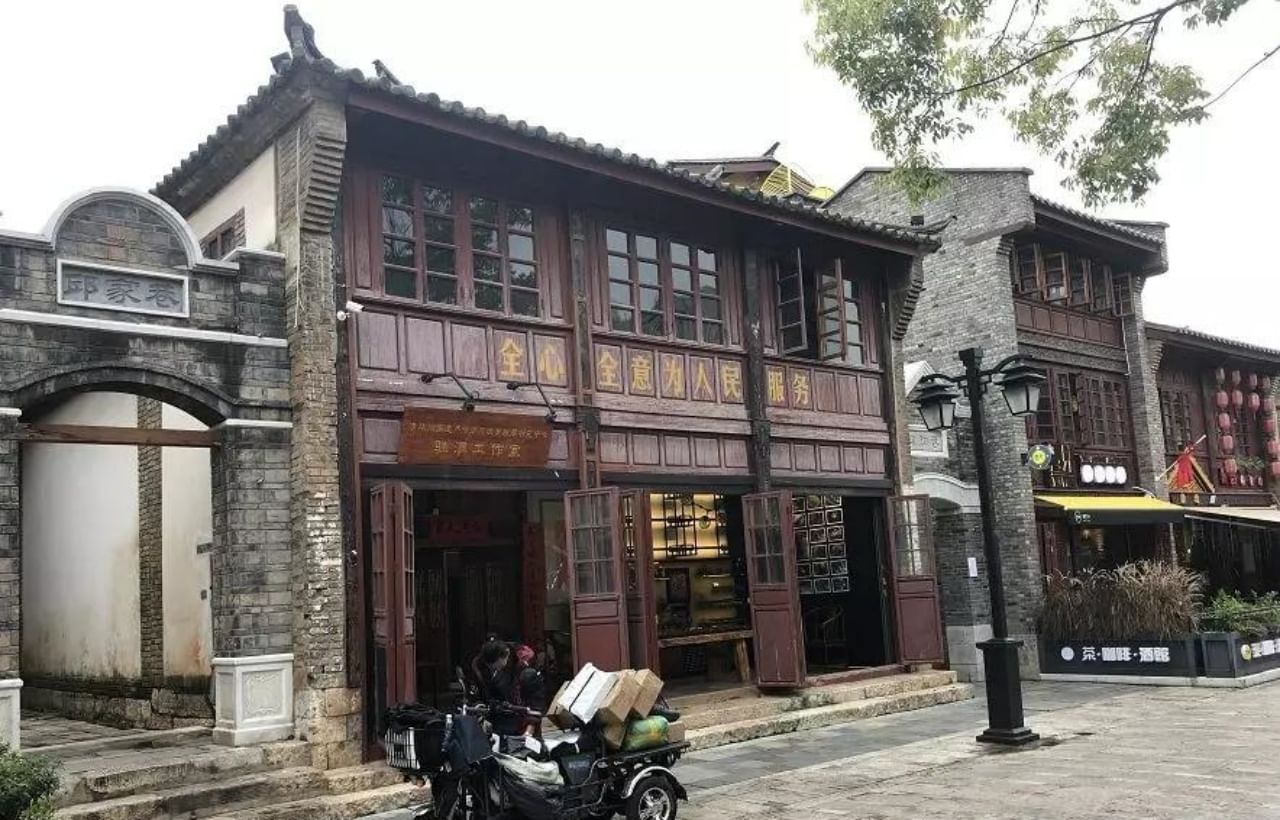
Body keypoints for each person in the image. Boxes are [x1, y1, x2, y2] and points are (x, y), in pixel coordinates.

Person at [471, 636, 546, 737]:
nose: (494, 670)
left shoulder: (526, 671)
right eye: (491, 668)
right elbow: (481, 695)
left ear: (505, 656)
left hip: (522, 721)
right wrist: (481, 714)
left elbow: (535, 702)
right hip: (498, 724)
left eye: (496, 666)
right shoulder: (481, 666)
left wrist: (529, 730)